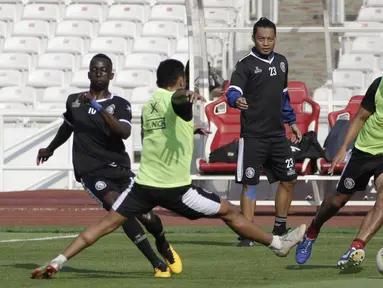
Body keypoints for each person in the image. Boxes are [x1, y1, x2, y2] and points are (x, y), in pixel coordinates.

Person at [30, 59, 307, 279]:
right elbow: (176, 103)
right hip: (175, 190)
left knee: (105, 225)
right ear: (179, 81)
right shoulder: (176, 100)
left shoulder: (151, 103)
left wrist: (190, 124)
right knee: (230, 213)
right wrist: (186, 96)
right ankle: (277, 244)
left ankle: (57, 262)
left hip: (143, 187)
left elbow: (166, 123)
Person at [32, 54, 181, 278]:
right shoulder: (74, 101)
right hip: (91, 172)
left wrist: (96, 106)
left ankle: (162, 241)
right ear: (89, 73)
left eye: (104, 70)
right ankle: (156, 262)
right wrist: (50, 148)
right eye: (95, 69)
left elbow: (124, 132)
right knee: (119, 208)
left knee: (147, 216)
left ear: (111, 75)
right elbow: (67, 127)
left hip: (119, 169)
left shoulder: (120, 104)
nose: (99, 73)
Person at [226, 17, 302, 247]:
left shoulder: (281, 62)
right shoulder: (245, 64)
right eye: (261, 38)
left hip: (278, 135)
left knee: (289, 180)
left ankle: (279, 227)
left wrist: (292, 121)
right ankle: (248, 233)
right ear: (254, 39)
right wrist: (235, 100)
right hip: (253, 136)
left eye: (270, 38)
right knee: (250, 183)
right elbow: (233, 90)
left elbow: (284, 97)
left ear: (275, 39)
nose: (266, 42)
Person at [295, 76, 383, 270]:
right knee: (336, 201)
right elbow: (360, 117)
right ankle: (313, 230)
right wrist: (344, 147)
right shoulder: (378, 86)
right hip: (365, 151)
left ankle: (356, 247)